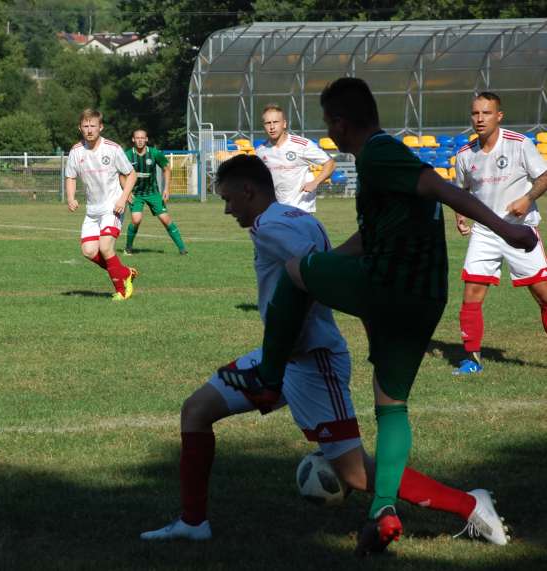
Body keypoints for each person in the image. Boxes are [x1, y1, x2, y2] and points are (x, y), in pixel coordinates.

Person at [221, 78, 535, 556]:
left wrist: (505, 228)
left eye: (330, 123)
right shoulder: (378, 168)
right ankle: (382, 509)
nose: (330, 133)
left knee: (292, 271)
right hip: (423, 299)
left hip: (388, 283)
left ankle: (268, 374)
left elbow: (435, 185)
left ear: (342, 122)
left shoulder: (379, 153)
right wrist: (331, 267)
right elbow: (369, 237)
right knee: (391, 406)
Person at [139, 155, 509, 549]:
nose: (228, 209)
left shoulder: (271, 228)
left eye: (229, 199)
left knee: (354, 473)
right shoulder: (296, 216)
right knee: (196, 410)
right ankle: (193, 522)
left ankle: (469, 503)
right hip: (280, 356)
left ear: (249, 191)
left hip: (313, 362)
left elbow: (315, 272)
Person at [452, 92, 547, 375]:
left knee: (543, 295)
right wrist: (460, 216)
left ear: (499, 116)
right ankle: (472, 359)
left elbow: (544, 177)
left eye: (486, 113)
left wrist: (527, 199)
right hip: (485, 232)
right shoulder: (464, 154)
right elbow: (461, 192)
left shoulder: (520, 145)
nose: (480, 119)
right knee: (472, 293)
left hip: (520, 232)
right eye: (475, 114)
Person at [65, 109, 138, 301]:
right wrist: (71, 197)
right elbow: (70, 176)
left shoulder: (112, 149)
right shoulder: (75, 151)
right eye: (85, 126)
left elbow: (131, 174)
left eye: (93, 126)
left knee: (106, 247)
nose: (89, 130)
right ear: (80, 128)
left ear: (101, 127)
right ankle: (124, 273)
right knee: (89, 251)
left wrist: (123, 198)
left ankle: (122, 291)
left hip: (112, 207)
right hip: (92, 211)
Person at [256, 103, 335, 213]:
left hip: (301, 209)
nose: (272, 127)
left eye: (276, 122)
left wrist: (315, 182)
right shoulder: (261, 151)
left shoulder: (301, 145)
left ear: (284, 124)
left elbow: (330, 163)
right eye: (268, 123)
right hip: (277, 209)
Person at [123, 129, 187, 255]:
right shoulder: (128, 155)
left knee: (165, 219)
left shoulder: (154, 153)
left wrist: (166, 188)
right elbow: (121, 174)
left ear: (146, 139)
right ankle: (128, 248)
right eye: (137, 138)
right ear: (133, 139)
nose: (140, 140)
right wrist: (127, 192)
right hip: (136, 194)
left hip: (153, 193)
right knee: (136, 220)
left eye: (142, 138)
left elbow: (166, 169)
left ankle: (182, 250)